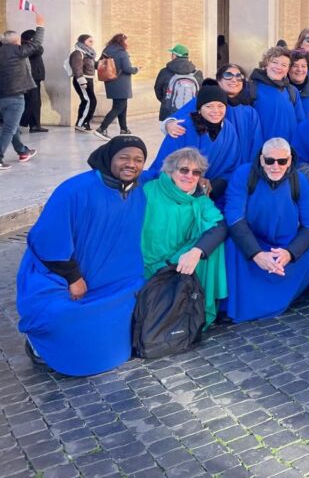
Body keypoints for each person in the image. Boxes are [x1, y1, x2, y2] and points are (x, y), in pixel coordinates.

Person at [17, 136, 147, 375]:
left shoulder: (140, 187)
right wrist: (73, 278)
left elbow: (170, 174)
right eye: (124, 158)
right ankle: (40, 346)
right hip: (62, 274)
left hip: (116, 277)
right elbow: (47, 239)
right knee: (57, 314)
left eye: (138, 160)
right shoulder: (75, 190)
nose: (132, 164)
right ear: (109, 159)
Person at [223, 138, 309, 323]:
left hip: (285, 244)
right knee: (232, 248)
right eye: (270, 161)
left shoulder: (299, 180)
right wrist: (257, 254)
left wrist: (290, 253)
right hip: (254, 240)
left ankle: (279, 298)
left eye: (282, 161)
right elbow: (234, 217)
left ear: (290, 160)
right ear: (261, 159)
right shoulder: (244, 174)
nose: (275, 166)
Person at [141, 147, 228, 328]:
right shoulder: (148, 192)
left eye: (196, 172)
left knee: (211, 246)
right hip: (148, 264)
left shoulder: (199, 199)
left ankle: (197, 306)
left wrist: (196, 251)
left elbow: (219, 225)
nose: (190, 176)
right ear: (170, 170)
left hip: (183, 262)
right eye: (184, 170)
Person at [149, 85, 241, 207]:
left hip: (212, 195)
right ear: (199, 109)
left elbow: (232, 165)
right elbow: (165, 163)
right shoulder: (182, 128)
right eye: (209, 106)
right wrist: (194, 182)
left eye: (220, 106)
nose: (216, 111)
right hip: (178, 193)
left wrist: (213, 187)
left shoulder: (229, 130)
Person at [163, 64, 265, 165]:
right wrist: (169, 124)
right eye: (228, 75)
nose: (234, 80)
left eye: (239, 76)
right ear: (219, 80)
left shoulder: (249, 111)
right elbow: (177, 118)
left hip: (240, 166)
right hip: (211, 165)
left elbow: (256, 143)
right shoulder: (205, 100)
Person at [0, 15, 44, 169]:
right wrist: (40, 26)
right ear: (16, 41)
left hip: (2, 96)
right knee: (9, 129)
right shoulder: (18, 51)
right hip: (15, 97)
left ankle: (22, 151)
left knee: (12, 127)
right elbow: (37, 43)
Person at [249, 47, 302, 141]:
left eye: (284, 65)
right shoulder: (251, 89)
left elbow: (301, 123)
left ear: (287, 70)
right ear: (265, 65)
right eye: (275, 62)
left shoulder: (292, 91)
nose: (278, 67)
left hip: (288, 151)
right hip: (263, 151)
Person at [96, 33, 138, 139]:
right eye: (126, 41)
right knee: (118, 107)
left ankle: (124, 129)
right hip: (121, 83)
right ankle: (102, 128)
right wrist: (136, 69)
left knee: (122, 106)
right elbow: (127, 69)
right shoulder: (122, 53)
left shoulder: (107, 51)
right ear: (121, 42)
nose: (127, 43)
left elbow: (98, 65)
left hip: (110, 82)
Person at [154, 44, 202, 121]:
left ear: (174, 56)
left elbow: (158, 90)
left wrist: (166, 101)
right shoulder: (197, 73)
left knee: (170, 132)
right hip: (191, 113)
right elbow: (200, 92)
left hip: (169, 112)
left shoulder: (165, 71)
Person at [18, 29, 47, 132]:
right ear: (31, 39)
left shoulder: (29, 47)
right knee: (31, 102)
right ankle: (20, 123)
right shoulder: (26, 47)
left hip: (35, 77)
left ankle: (35, 125)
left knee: (35, 102)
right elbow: (39, 50)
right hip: (31, 77)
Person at [69, 34, 98, 132]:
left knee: (89, 101)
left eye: (92, 41)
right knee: (89, 101)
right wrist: (81, 81)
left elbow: (93, 66)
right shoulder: (78, 53)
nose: (92, 43)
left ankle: (84, 123)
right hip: (82, 80)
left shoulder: (89, 53)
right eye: (90, 41)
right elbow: (77, 68)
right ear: (83, 42)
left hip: (89, 80)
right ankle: (81, 124)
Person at [288, 50, 309, 120]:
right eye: (295, 66)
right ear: (288, 69)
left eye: (303, 66)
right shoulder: (281, 91)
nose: (299, 69)